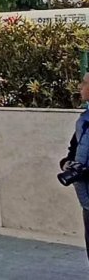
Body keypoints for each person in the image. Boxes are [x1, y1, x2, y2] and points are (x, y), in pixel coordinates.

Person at [61, 72, 89, 262]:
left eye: (84, 83)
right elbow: (74, 147)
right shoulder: (84, 119)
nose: (80, 87)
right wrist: (67, 163)